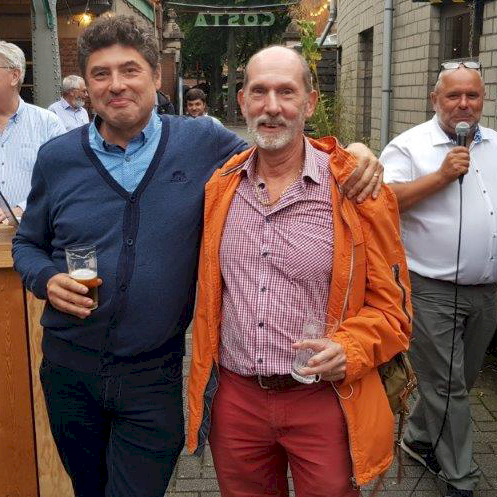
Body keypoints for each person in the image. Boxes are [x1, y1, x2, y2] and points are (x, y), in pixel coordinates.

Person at [13, 16, 383, 497]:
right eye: (101, 73)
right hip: (69, 371)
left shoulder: (201, 143)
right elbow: (27, 244)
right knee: (88, 488)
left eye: (130, 70)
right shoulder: (57, 157)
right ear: (87, 84)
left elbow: (279, 145)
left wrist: (353, 154)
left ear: (155, 77)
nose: (116, 84)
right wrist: (44, 278)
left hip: (153, 376)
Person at [187, 45, 412, 497]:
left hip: (324, 400)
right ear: (242, 102)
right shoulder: (220, 187)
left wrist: (350, 348)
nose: (272, 106)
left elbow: (395, 313)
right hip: (237, 399)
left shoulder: (356, 191)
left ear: (309, 103)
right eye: (259, 92)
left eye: (286, 92)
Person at [380, 61, 497, 497]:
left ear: (483, 99)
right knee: (448, 388)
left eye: (472, 95)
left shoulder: (495, 145)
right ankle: (461, 478)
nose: (464, 104)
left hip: (486, 291)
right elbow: (384, 201)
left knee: (458, 383)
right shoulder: (409, 146)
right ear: (435, 100)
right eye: (453, 95)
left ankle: (418, 439)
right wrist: (442, 176)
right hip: (431, 289)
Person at [0, 40, 65, 223]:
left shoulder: (48, 123)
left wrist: (20, 209)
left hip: (34, 230)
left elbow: (62, 177)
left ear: (15, 76)